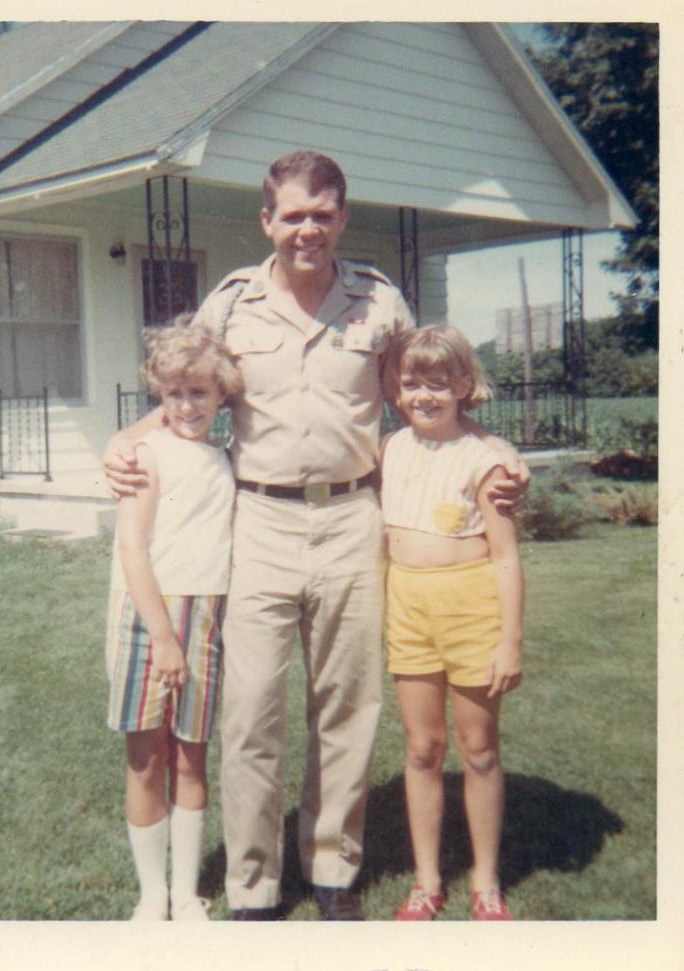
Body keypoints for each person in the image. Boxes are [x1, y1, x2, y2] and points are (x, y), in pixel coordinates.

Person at [105, 151, 528, 921]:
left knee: (346, 706)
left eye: (322, 214)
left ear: (342, 218)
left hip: (352, 522)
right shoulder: (232, 302)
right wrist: (125, 439)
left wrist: (497, 452)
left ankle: (332, 868)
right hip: (258, 520)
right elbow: (180, 383)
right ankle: (255, 884)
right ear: (268, 220)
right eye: (293, 215)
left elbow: (430, 390)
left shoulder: (380, 302)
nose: (308, 229)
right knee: (252, 711)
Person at [380, 325, 523, 921]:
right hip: (408, 604)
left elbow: (507, 554)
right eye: (412, 385)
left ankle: (485, 882)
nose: (423, 397)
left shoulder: (485, 459)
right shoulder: (388, 449)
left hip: (470, 606)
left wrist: (509, 640)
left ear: (465, 385)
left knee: (478, 748)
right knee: (421, 747)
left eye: (438, 384)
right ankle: (427, 880)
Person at [105, 321, 243, 921]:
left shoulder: (225, 456)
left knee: (191, 754)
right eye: (174, 395)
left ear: (221, 396)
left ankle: (186, 893)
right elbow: (133, 550)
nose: (186, 407)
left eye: (200, 394)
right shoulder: (145, 456)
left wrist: (188, 635)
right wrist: (162, 637)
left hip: (206, 612)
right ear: (159, 397)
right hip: (147, 616)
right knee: (147, 757)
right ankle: (151, 895)